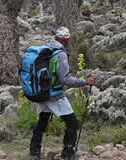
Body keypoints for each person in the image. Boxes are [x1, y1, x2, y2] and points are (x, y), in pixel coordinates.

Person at [29, 27, 97, 160]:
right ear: (65, 39)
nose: (68, 41)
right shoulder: (60, 54)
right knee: (73, 123)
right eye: (68, 39)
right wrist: (85, 82)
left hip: (41, 92)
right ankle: (68, 153)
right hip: (54, 94)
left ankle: (34, 151)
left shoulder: (45, 48)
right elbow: (65, 79)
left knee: (42, 121)